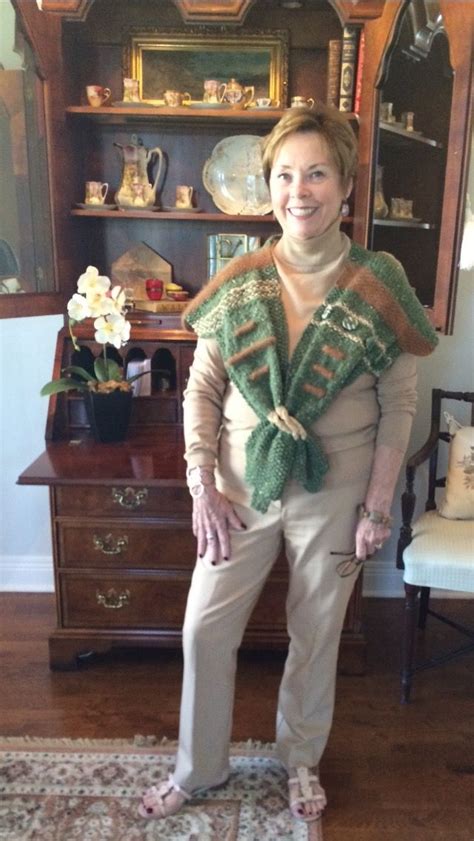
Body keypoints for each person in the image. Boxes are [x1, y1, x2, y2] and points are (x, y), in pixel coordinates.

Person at [138, 104, 438, 825]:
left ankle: (300, 757)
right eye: (284, 174)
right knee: (204, 628)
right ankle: (198, 766)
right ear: (267, 184)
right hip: (240, 487)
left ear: (345, 186)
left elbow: (399, 402)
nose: (298, 190)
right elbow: (202, 388)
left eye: (317, 173)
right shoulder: (239, 278)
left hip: (335, 492)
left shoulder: (378, 279)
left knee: (317, 632)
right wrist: (201, 486)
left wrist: (375, 506)